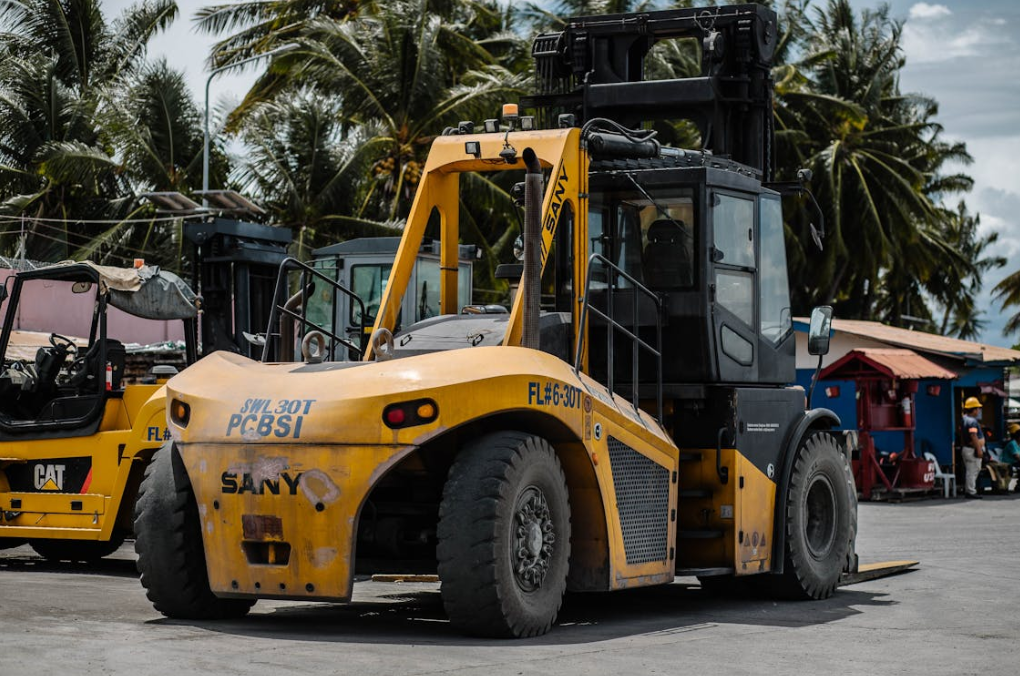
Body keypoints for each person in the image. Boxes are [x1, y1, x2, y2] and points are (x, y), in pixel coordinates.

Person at [960, 397, 985, 499]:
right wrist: (979, 449)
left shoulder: (964, 419)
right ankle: (970, 491)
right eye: (978, 408)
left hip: (967, 448)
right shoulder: (972, 422)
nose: (979, 411)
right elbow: (973, 435)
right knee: (972, 471)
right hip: (972, 449)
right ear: (974, 409)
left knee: (971, 470)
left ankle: (970, 490)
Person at [1001, 423, 1020, 491]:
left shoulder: (1018, 443)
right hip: (1009, 462)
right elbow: (1017, 457)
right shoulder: (1012, 444)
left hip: (1015, 462)